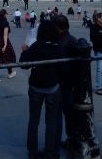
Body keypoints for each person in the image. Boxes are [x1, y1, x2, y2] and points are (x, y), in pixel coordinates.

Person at [19, 20, 65, 159]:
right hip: (52, 87)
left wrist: (26, 52)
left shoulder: (36, 46)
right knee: (51, 121)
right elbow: (64, 69)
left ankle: (32, 151)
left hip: (35, 86)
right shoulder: (58, 48)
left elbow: (23, 64)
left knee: (34, 120)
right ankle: (49, 152)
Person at [55, 15, 78, 152]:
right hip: (66, 82)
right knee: (67, 114)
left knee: (64, 113)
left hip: (64, 83)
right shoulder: (71, 39)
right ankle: (69, 139)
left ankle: (67, 139)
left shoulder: (67, 41)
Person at [0, 9, 17, 83]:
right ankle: (10, 73)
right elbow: (5, 35)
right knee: (8, 56)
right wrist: (5, 45)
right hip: (3, 41)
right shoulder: (5, 23)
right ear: (5, 14)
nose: (7, 15)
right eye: (6, 14)